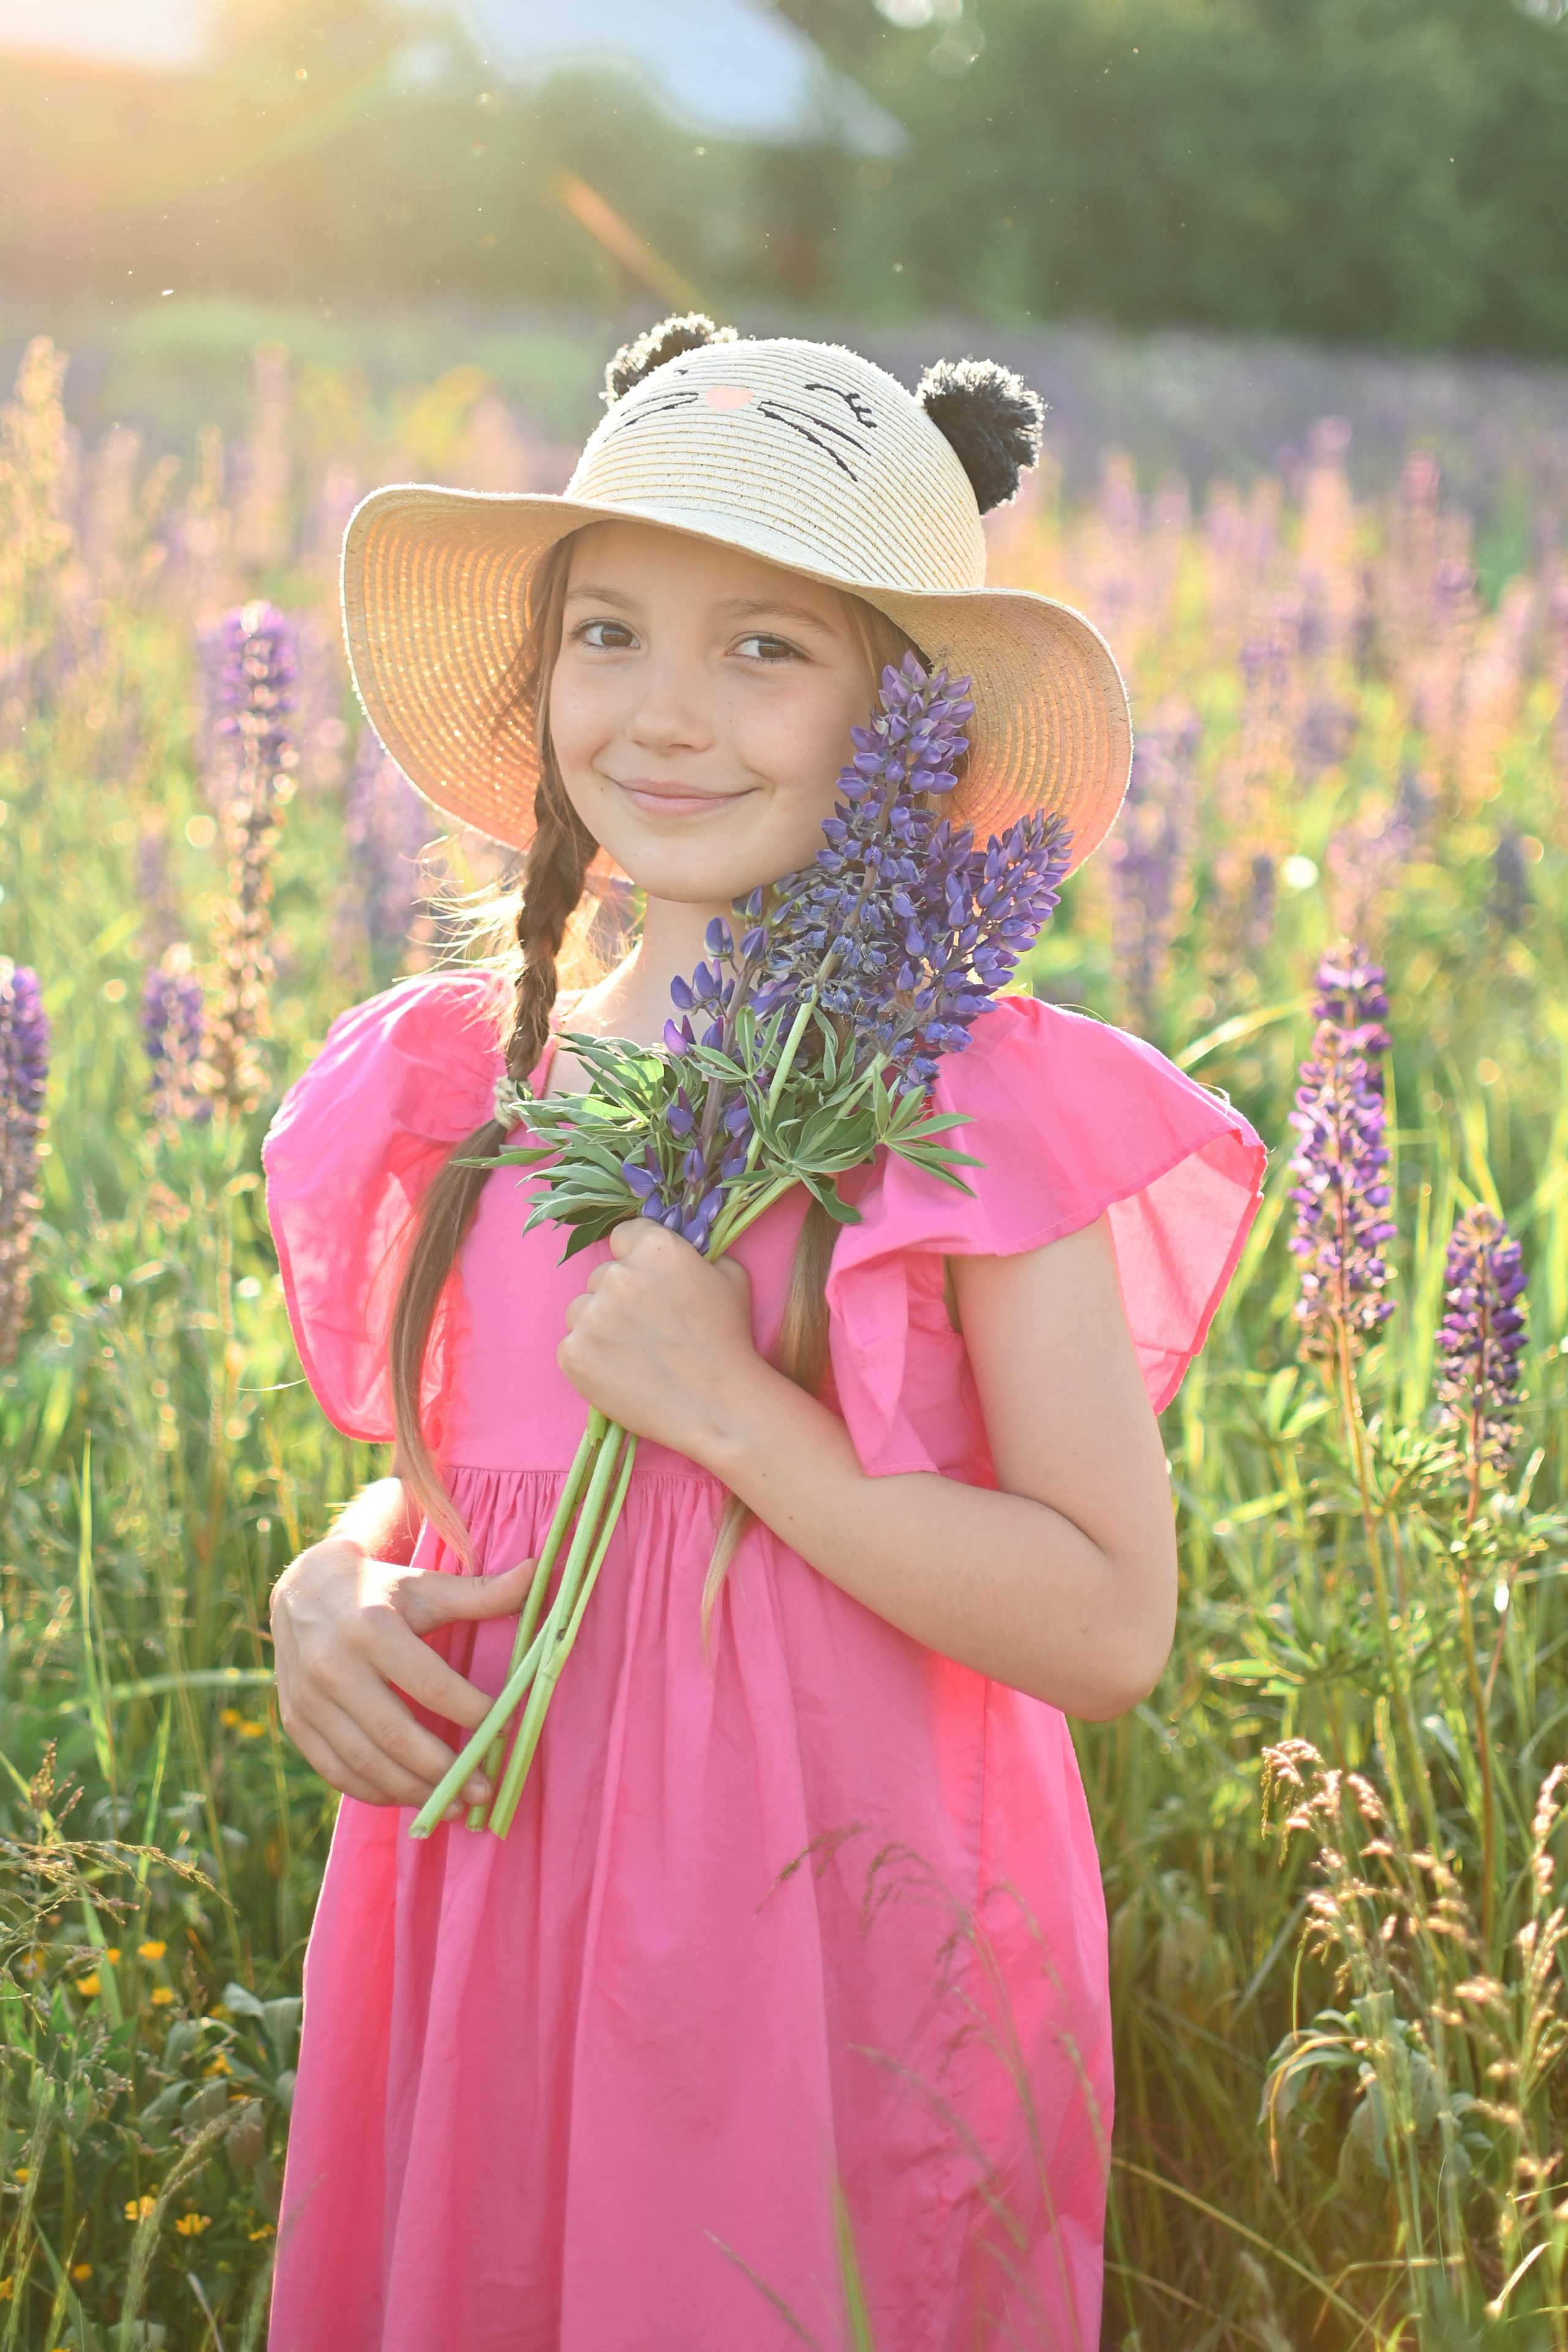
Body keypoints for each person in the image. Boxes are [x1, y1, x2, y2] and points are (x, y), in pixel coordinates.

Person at [262, 318, 1265, 2352]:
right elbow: (473, 1479)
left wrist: (745, 1419)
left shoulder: (971, 1103)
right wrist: (341, 1575)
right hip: (500, 1910)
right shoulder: (463, 1077)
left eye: (767, 650)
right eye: (610, 632)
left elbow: (1107, 1622)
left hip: (827, 1955)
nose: (666, 713)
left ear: (901, 720)